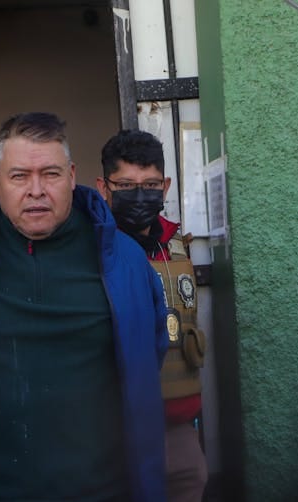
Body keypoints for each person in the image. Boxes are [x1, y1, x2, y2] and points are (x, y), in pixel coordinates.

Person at [0, 112, 169, 501]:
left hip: (104, 490)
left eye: (51, 174)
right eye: (19, 176)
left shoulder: (122, 258)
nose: (36, 190)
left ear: (72, 176)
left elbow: (151, 349)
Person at [96, 129, 208, 502]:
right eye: (126, 185)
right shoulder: (91, 252)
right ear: (103, 187)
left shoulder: (177, 247)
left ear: (167, 186)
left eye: (151, 184)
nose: (140, 195)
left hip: (178, 431)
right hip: (112, 433)